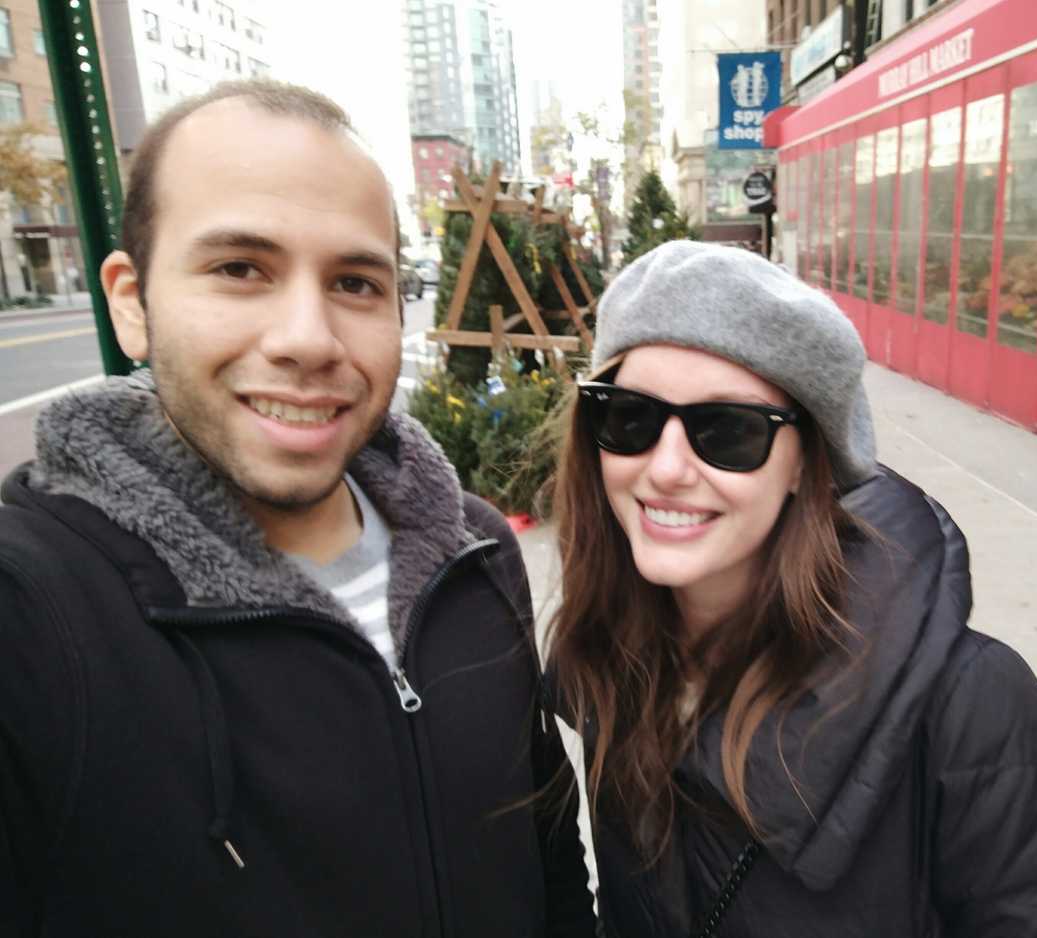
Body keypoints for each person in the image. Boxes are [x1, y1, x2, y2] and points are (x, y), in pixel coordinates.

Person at [0, 80, 594, 937]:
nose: (308, 339)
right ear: (131, 302)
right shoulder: (32, 617)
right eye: (240, 269)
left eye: (355, 283)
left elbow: (547, 854)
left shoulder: (477, 553)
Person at [546, 239, 1037, 937]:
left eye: (727, 432)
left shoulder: (972, 705)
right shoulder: (617, 669)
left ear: (805, 464)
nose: (667, 468)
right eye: (630, 418)